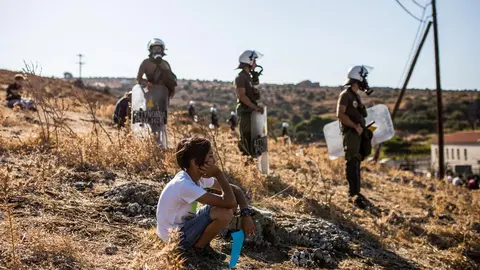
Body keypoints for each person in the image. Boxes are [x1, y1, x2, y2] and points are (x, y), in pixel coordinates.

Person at [156, 137, 256, 259]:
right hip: (175, 238)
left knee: (227, 206)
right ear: (194, 162)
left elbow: (235, 190)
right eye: (210, 156)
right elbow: (229, 202)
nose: (213, 160)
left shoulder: (196, 177)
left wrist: (246, 214)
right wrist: (218, 174)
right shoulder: (184, 185)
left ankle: (201, 245)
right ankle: (197, 250)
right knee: (224, 213)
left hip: (185, 226)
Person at [336, 65, 372, 209]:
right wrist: (354, 126)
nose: (365, 80)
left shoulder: (356, 95)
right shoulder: (345, 95)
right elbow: (340, 114)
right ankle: (352, 195)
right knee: (352, 161)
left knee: (357, 161)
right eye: (364, 77)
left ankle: (357, 193)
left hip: (358, 134)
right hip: (351, 133)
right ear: (358, 78)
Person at [234, 50, 264, 157]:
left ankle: (252, 162)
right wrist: (255, 107)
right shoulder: (240, 77)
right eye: (254, 60)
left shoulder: (249, 77)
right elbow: (242, 96)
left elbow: (255, 96)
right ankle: (246, 163)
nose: (256, 63)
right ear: (249, 61)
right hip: (245, 111)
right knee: (246, 138)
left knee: (254, 138)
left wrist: (255, 84)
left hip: (250, 111)